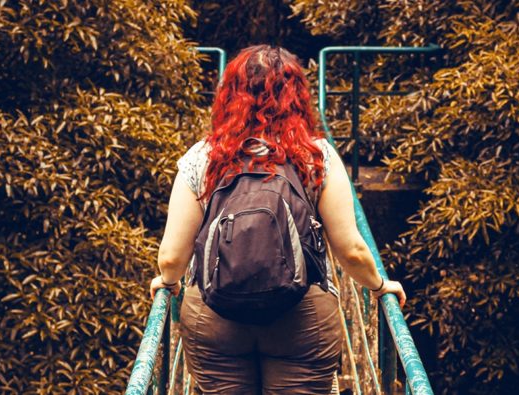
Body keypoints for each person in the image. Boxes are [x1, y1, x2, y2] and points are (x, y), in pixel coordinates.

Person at [149, 44, 407, 394]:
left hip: (214, 312)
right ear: (298, 97)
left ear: (229, 96)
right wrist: (379, 287)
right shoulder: (316, 156)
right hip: (302, 315)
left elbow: (171, 257)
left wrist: (168, 279)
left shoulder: (203, 157)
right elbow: (351, 250)